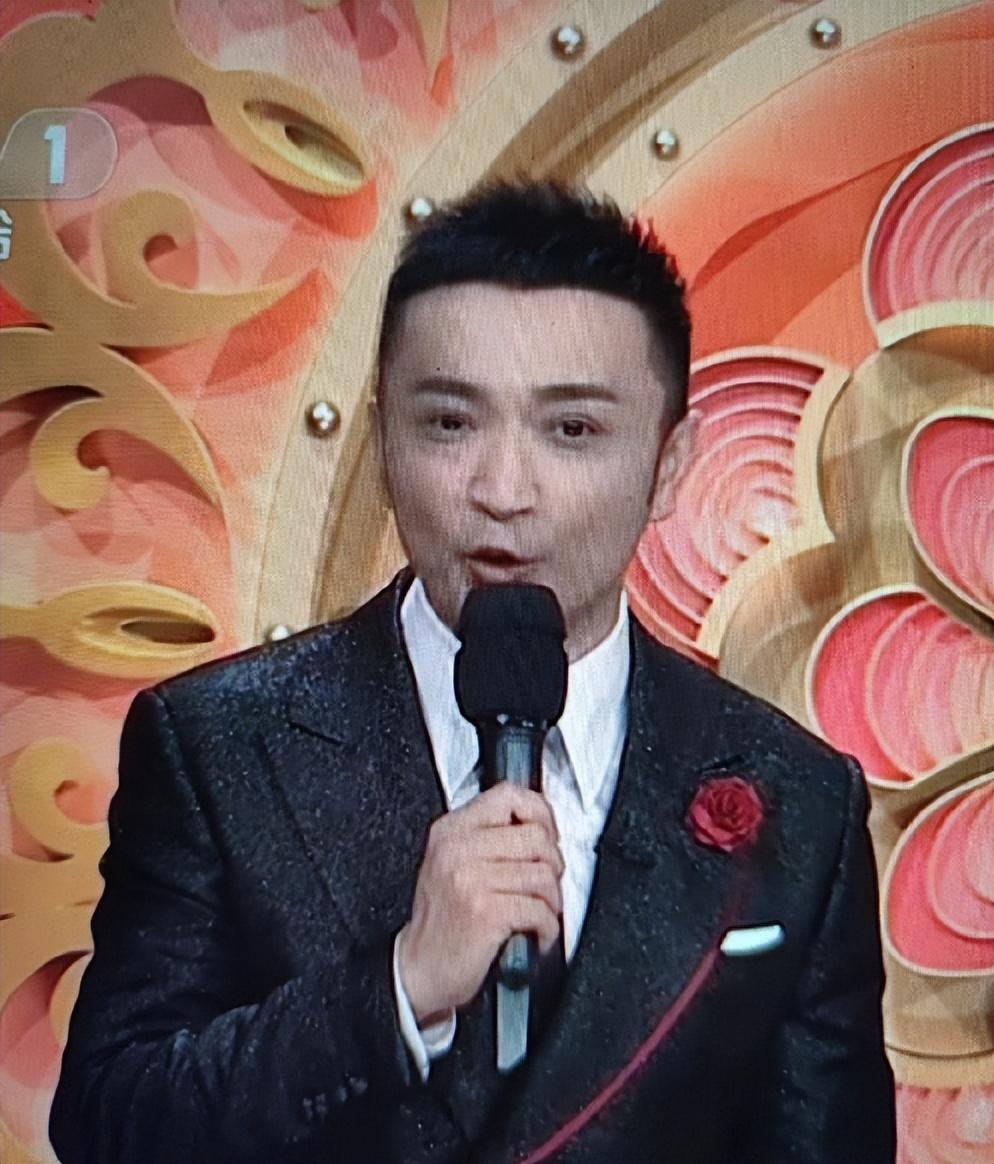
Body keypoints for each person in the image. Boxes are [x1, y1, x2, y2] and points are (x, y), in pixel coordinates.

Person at [50, 182, 895, 1163]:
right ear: (383, 441)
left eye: (571, 431)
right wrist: (399, 989)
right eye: (451, 424)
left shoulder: (799, 802)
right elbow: (112, 1122)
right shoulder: (219, 745)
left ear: (669, 465)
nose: (502, 492)